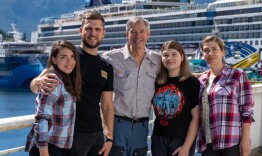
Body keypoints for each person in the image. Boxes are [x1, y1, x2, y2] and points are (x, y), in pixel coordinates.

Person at [30, 11, 114, 156]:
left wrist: (109, 138)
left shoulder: (106, 66)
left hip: (97, 134)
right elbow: (35, 85)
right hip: (72, 134)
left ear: (103, 33)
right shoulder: (69, 57)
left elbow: (107, 105)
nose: (92, 33)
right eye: (88, 28)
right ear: (80, 30)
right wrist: (38, 81)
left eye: (97, 29)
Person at [101, 16, 161, 156]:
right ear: (126, 34)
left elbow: (178, 73)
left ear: (148, 34)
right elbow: (86, 63)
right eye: (133, 32)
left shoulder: (157, 60)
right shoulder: (110, 58)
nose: (137, 36)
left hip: (142, 126)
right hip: (117, 124)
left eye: (142, 31)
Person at [196, 36, 254, 156]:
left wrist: (245, 140)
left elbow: (246, 110)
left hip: (230, 141)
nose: (210, 53)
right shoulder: (202, 80)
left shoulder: (237, 75)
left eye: (214, 49)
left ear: (222, 51)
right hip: (207, 142)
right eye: (206, 50)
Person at [25, 40, 82, 156]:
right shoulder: (53, 81)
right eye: (63, 57)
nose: (69, 61)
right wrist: (44, 153)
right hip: (48, 147)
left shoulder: (67, 78)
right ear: (54, 60)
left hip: (58, 146)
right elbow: (41, 119)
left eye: (72, 56)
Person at [151, 40, 200, 156]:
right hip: (158, 138)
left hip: (181, 140)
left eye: (174, 54)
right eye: (166, 55)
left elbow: (196, 118)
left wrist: (186, 147)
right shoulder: (157, 81)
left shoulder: (192, 82)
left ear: (182, 57)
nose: (169, 58)